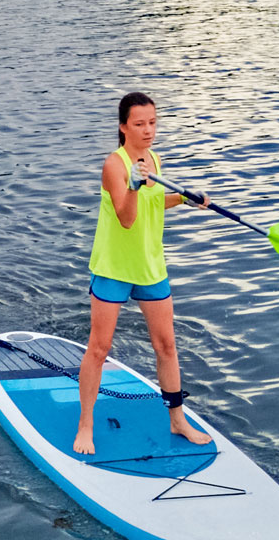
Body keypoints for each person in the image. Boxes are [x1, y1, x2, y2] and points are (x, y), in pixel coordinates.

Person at [74, 92, 212, 455]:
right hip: (115, 267)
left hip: (150, 266)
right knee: (99, 349)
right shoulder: (114, 165)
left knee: (166, 346)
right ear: (123, 127)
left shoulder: (153, 159)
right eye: (139, 124)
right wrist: (134, 184)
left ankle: (178, 419)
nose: (148, 130)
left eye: (152, 122)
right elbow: (126, 216)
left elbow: (153, 203)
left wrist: (184, 198)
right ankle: (85, 423)